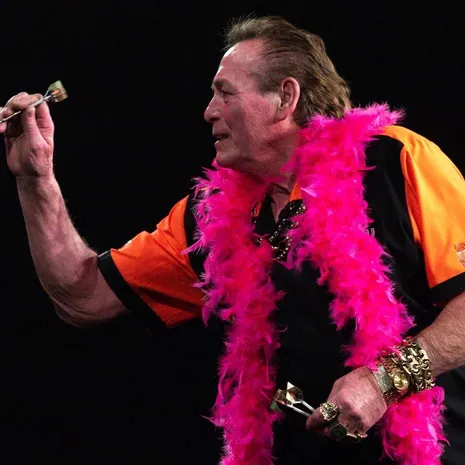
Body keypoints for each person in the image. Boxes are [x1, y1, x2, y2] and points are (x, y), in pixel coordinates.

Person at [1, 14, 465, 465]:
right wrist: (36, 180)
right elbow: (83, 297)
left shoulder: (395, 162)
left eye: (225, 93)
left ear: (285, 98)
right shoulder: (208, 215)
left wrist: (385, 381)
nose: (209, 111)